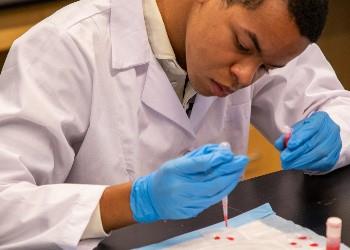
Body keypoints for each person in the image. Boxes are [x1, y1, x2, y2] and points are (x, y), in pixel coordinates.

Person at [0, 0, 348, 248]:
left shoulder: (267, 34)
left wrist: (334, 131)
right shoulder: (66, 48)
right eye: (242, 45)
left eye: (266, 68)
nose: (245, 75)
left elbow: (337, 106)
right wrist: (131, 202)